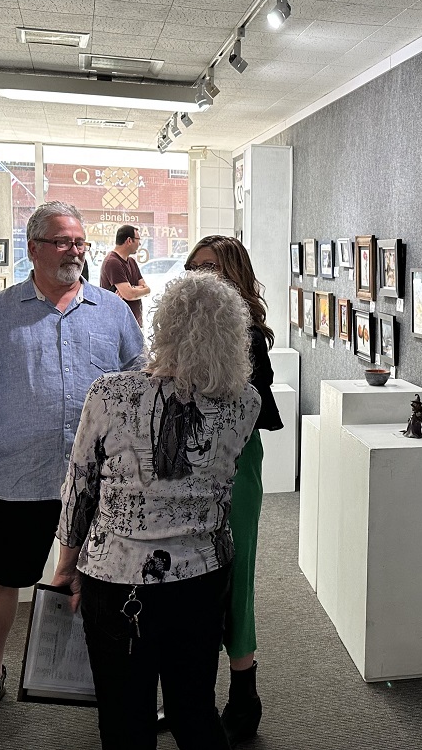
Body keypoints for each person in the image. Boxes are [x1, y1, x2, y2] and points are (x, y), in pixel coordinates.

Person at [0, 201, 144, 734]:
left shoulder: (112, 311)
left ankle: (112, 678)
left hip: (103, 485)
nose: (74, 251)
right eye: (62, 241)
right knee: (3, 578)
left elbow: (141, 387)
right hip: (18, 480)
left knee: (111, 586)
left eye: (79, 242)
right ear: (33, 248)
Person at [52, 270, 261, 750]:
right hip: (202, 578)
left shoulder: (109, 393)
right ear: (234, 335)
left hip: (116, 580)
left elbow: (80, 487)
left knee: (125, 719)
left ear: (162, 325)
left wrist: (66, 566)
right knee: (195, 709)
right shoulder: (245, 403)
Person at [163, 234, 282, 744]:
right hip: (186, 461)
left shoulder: (247, 333)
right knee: (189, 577)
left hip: (235, 461)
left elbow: (247, 400)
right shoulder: (180, 328)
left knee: (236, 575)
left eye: (211, 267)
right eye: (195, 267)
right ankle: (193, 698)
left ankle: (244, 696)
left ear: (234, 273)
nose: (201, 276)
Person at [99, 224, 151, 326]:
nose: (140, 244)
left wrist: (133, 288)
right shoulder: (112, 262)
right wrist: (135, 290)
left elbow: (147, 290)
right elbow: (129, 295)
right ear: (129, 240)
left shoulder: (132, 261)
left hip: (134, 323)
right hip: (118, 325)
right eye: (138, 240)